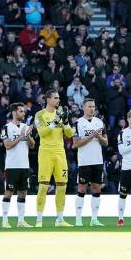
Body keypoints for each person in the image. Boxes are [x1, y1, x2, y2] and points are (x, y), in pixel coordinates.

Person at [34, 90, 74, 227]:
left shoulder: (61, 113)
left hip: (60, 153)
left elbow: (69, 135)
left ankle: (60, 219)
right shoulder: (40, 115)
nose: (58, 100)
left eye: (59, 98)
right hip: (46, 152)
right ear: (48, 99)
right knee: (43, 186)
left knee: (62, 186)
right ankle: (39, 220)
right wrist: (54, 122)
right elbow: (42, 134)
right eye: (56, 98)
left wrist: (66, 122)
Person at [73, 98, 108, 227]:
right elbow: (76, 144)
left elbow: (106, 142)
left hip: (97, 161)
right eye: (89, 106)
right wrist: (92, 136)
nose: (92, 109)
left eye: (93, 106)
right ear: (83, 108)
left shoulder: (99, 122)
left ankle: (94, 219)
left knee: (97, 188)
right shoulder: (77, 123)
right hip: (84, 161)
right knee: (82, 188)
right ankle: (78, 219)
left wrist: (98, 136)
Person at [1, 103, 35, 228]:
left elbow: (32, 145)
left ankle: (21, 221)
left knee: (23, 192)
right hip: (12, 166)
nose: (23, 113)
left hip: (24, 165)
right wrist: (21, 137)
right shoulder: (6, 127)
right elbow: (7, 145)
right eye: (21, 111)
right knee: (9, 192)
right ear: (14, 112)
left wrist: (28, 136)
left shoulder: (26, 127)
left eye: (24, 111)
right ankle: (5, 221)